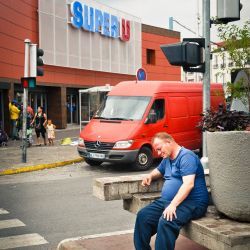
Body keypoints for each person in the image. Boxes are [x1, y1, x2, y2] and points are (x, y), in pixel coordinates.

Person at [134, 132, 209, 250]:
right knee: (143, 216)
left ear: (168, 142)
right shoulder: (167, 158)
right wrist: (150, 176)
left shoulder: (186, 157)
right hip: (169, 201)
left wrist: (173, 205)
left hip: (192, 202)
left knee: (166, 222)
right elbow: (159, 170)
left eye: (159, 149)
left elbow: (188, 184)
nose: (158, 153)